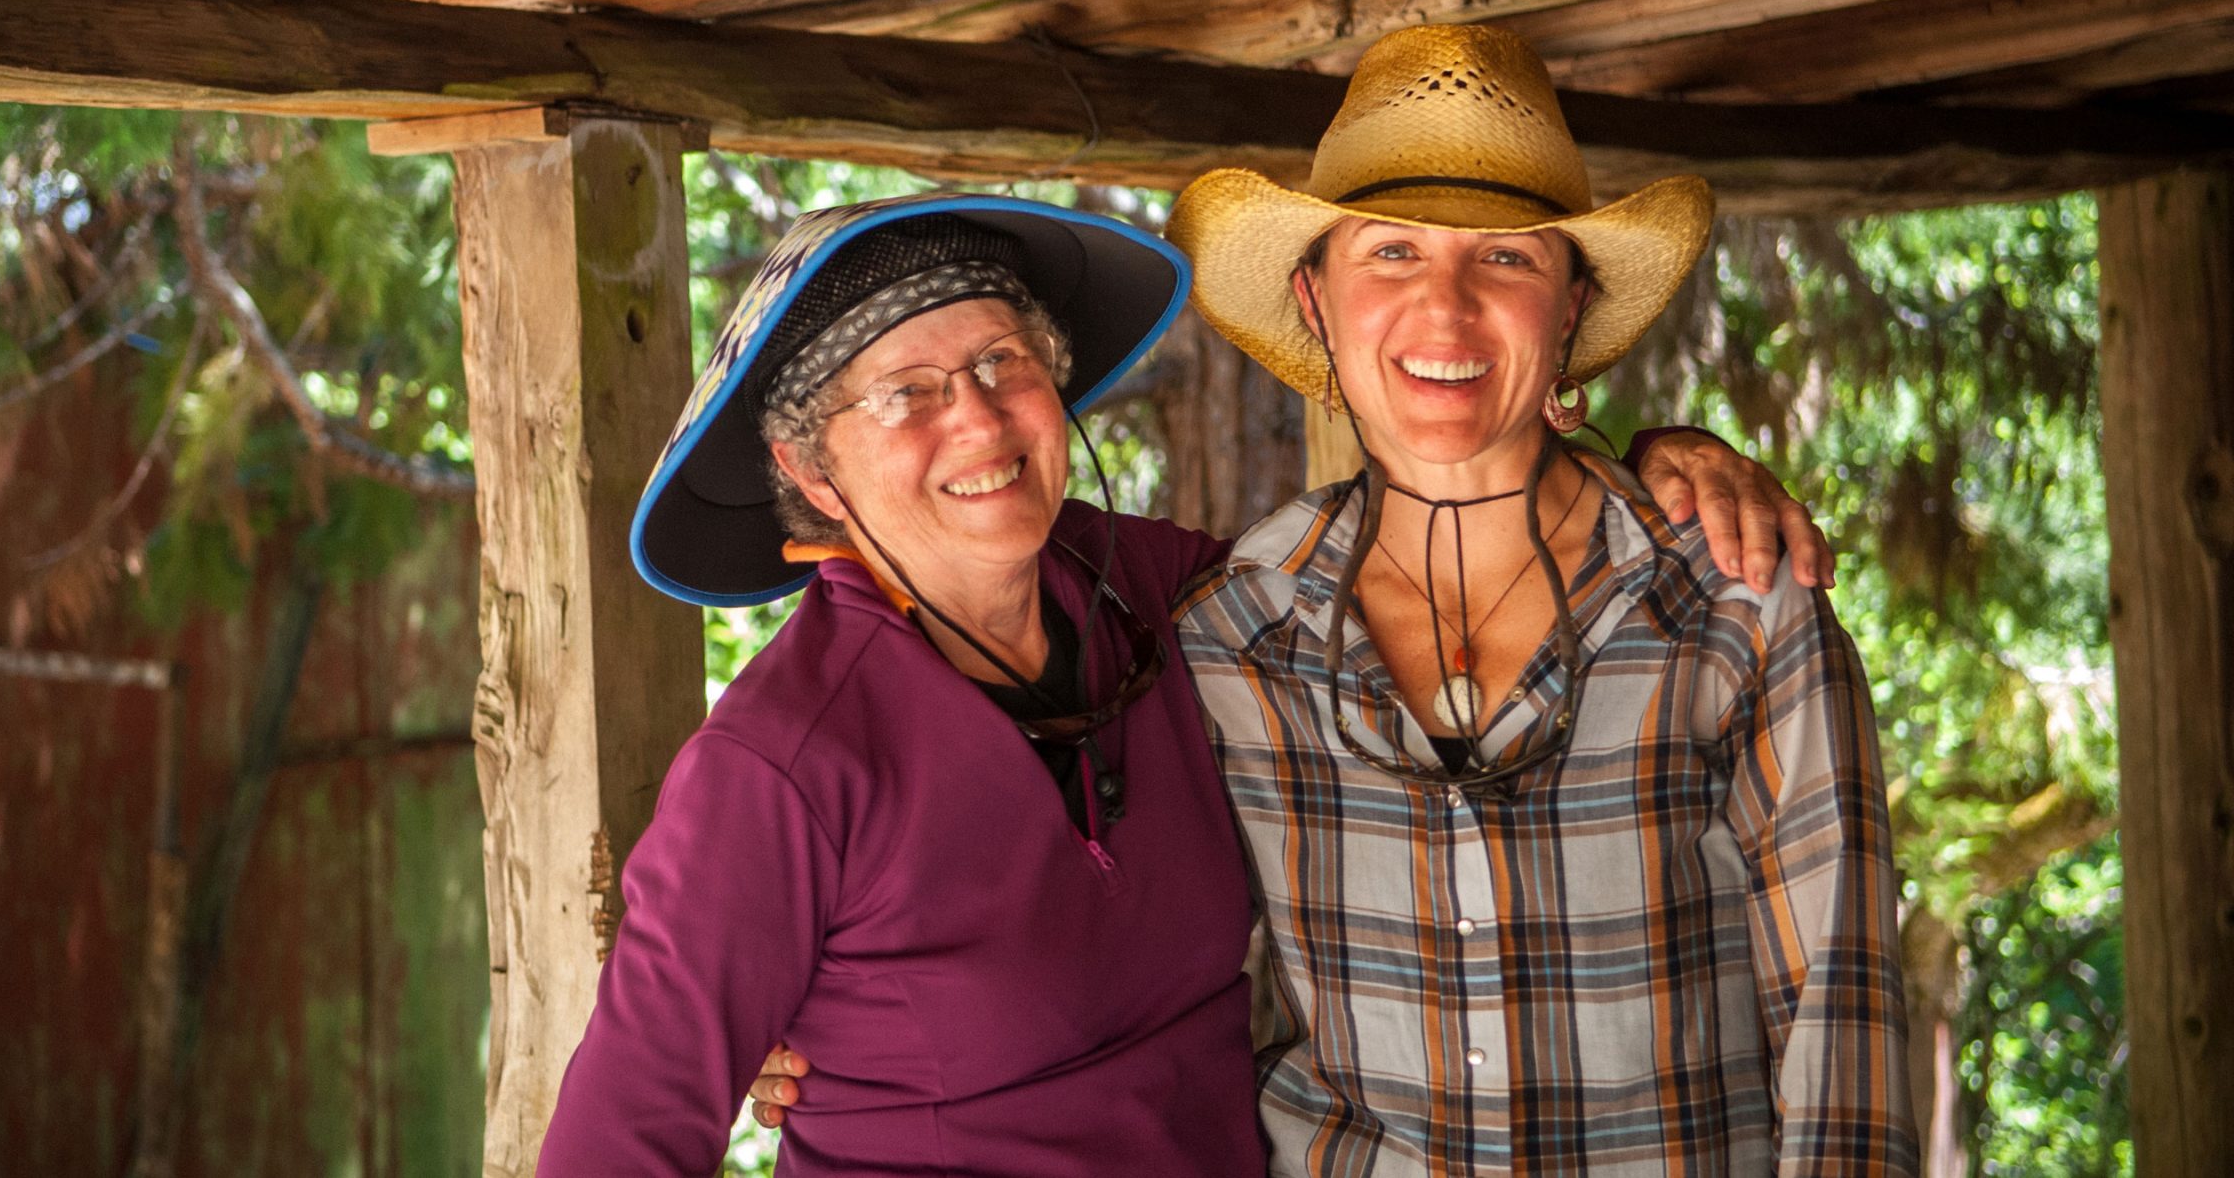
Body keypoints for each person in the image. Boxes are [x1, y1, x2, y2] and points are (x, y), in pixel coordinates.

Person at [548, 198, 1825, 1171]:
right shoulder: (778, 765)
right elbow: (621, 1133)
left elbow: (1430, 553)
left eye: (1002, 362)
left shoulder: (1166, 593)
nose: (979, 422)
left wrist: (1659, 459)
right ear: (807, 469)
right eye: (905, 394)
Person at [1163, 24, 1917, 1173]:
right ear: (1315, 302)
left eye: (1506, 258)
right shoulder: (1230, 634)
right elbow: (1150, 988)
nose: (1446, 307)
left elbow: (1839, 1012)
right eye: (1391, 252)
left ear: (1569, 309)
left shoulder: (1733, 604)